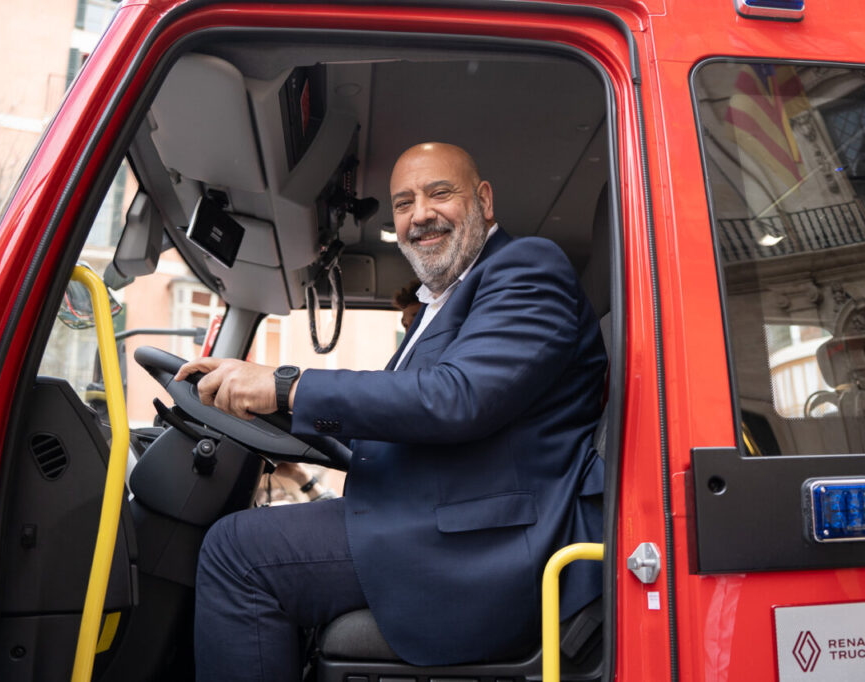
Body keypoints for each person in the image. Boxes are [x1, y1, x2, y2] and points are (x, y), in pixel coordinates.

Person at [176, 142, 607, 680]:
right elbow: (399, 418)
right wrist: (275, 409)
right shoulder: (440, 300)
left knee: (235, 552)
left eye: (439, 193)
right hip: (428, 517)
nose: (419, 214)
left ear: (485, 201)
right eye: (403, 203)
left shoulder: (527, 268)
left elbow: (456, 398)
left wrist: (288, 387)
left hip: (481, 546)